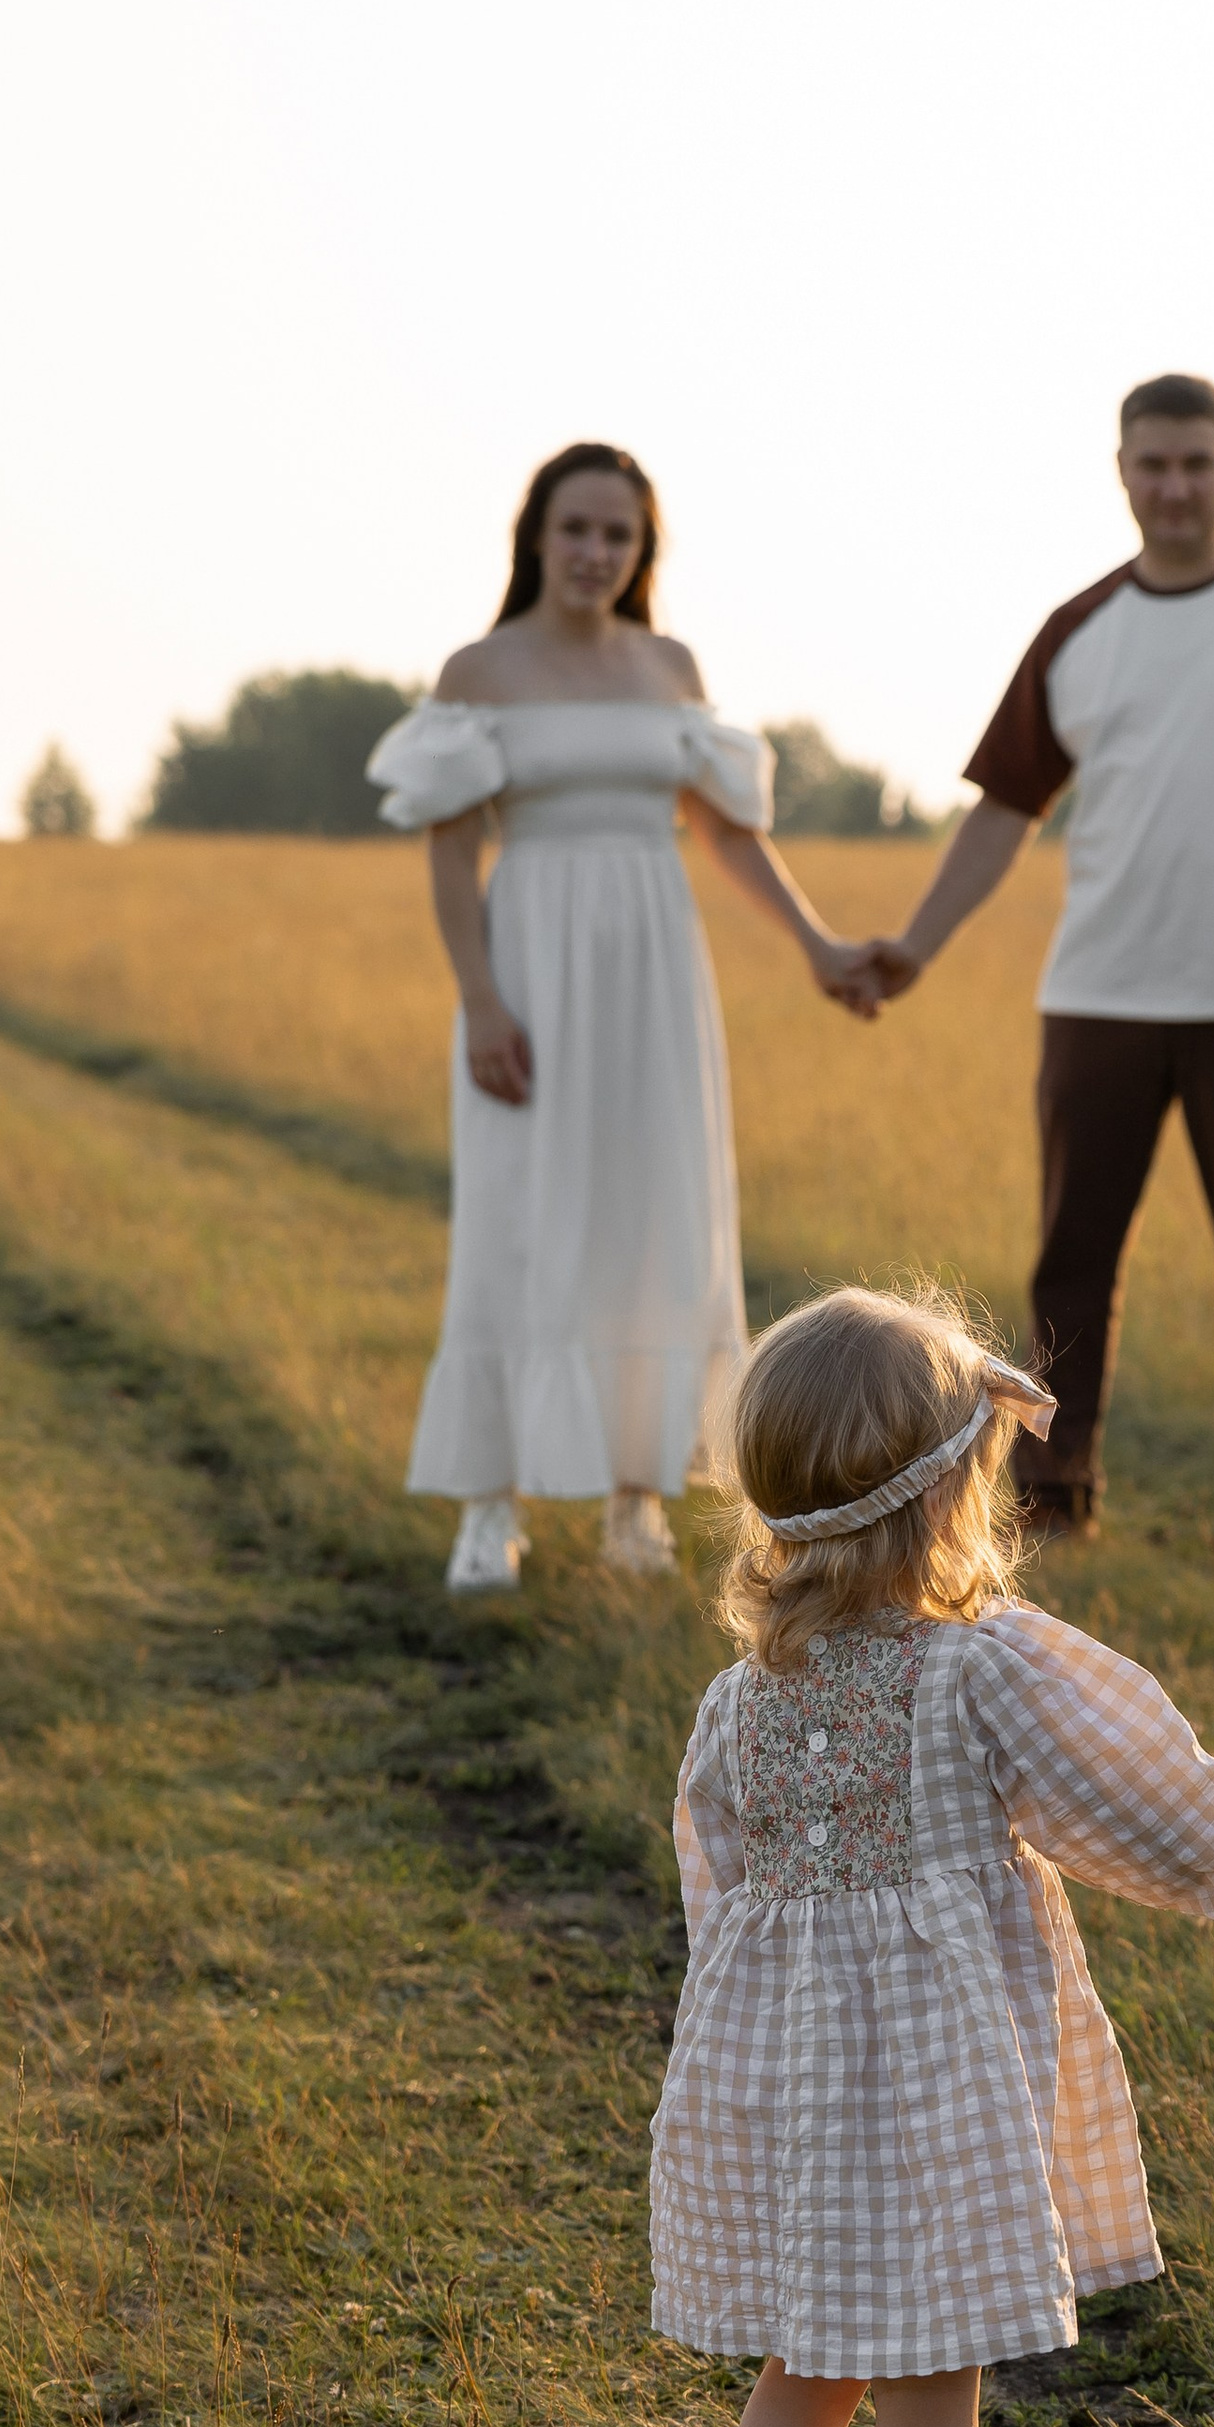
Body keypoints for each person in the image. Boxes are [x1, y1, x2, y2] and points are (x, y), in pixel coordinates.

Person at [651, 1284, 1214, 2427]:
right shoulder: (980, 1668)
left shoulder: (737, 1704)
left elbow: (723, 1889)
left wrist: (747, 2055)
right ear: (953, 1492)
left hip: (796, 2083)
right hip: (936, 2088)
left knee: (805, 2364)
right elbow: (1132, 1773)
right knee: (931, 2380)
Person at [864, 375, 1214, 1592]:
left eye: (1196, 464)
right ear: (1119, 472)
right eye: (1152, 465)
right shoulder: (1078, 630)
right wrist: (916, 942)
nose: (1174, 487)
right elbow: (1002, 812)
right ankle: (1053, 1501)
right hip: (1099, 999)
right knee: (1072, 1262)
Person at [369, 443, 879, 1595]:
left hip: (655, 969)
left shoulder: (670, 666)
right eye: (576, 530)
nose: (596, 553)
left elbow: (728, 833)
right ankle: (488, 1507)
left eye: (619, 535)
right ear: (535, 538)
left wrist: (816, 946)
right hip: (530, 968)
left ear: (642, 551)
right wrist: (482, 1002)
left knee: (659, 1212)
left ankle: (635, 1500)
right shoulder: (478, 669)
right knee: (514, 1213)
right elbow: (452, 859)